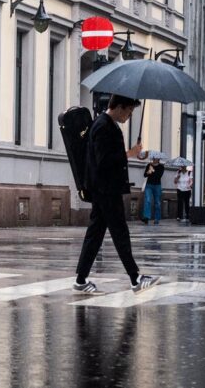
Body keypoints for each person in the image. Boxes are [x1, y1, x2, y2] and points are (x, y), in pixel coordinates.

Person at [74, 95, 160, 295]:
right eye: (129, 111)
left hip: (104, 189)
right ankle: (135, 278)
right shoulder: (103, 126)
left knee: (95, 235)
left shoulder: (106, 124)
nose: (129, 116)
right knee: (120, 233)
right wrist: (129, 153)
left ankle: (80, 279)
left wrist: (129, 153)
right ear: (119, 107)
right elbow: (103, 161)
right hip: (106, 189)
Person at [142, 157, 165, 225]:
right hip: (149, 185)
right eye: (154, 158)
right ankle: (146, 217)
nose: (154, 159)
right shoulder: (149, 165)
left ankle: (156, 218)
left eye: (156, 158)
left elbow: (159, 176)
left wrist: (153, 170)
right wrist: (148, 171)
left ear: (158, 159)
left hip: (157, 186)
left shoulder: (161, 167)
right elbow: (145, 175)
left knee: (157, 202)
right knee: (147, 200)